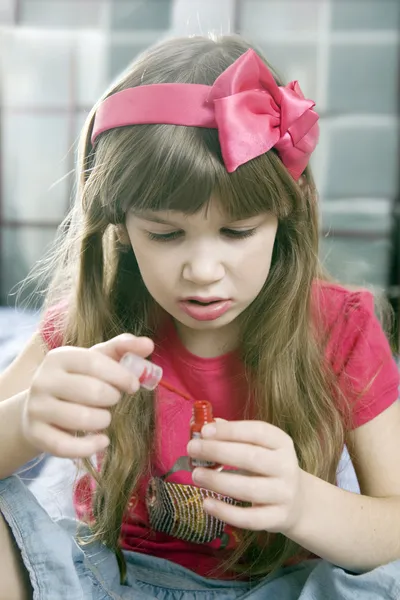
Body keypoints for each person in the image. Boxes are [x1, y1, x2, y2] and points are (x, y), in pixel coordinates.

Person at [0, 34, 399, 600]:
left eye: (237, 232)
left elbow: (394, 523)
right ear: (121, 227)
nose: (203, 271)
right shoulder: (90, 321)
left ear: (284, 215)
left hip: (284, 584)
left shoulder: (343, 328)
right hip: (106, 576)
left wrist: (304, 503)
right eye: (165, 234)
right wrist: (21, 421)